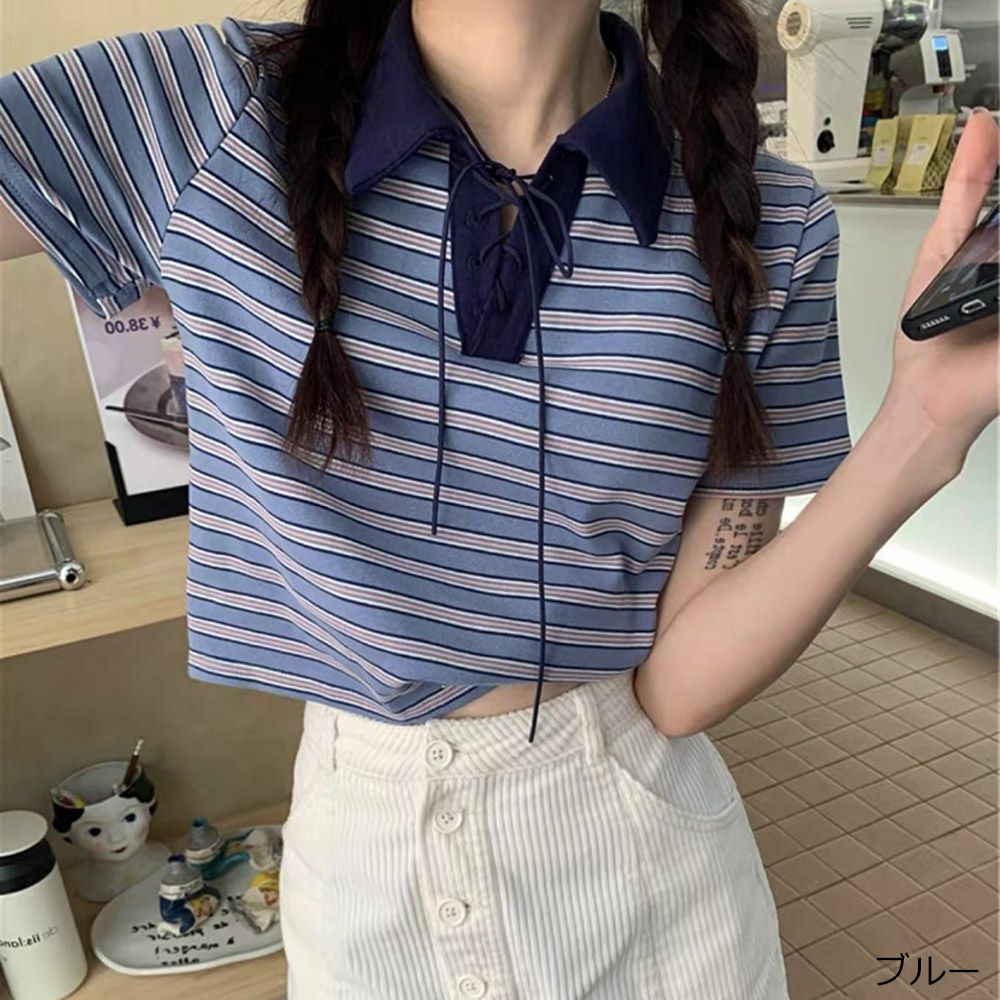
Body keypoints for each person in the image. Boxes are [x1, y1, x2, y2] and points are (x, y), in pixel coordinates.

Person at [1, 1, 996, 996]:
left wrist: (922, 429)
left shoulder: (764, 217)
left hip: (643, 849)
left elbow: (679, 688)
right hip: (361, 862)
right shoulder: (204, 108)